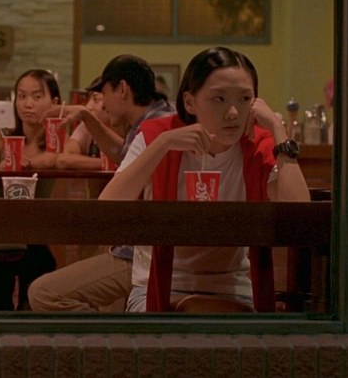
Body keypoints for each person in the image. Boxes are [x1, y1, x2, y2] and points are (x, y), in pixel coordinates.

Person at [99, 46, 310, 312]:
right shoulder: (158, 135)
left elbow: (300, 218)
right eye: (219, 99)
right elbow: (106, 211)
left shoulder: (257, 145)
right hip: (159, 288)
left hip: (231, 289)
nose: (233, 112)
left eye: (244, 99)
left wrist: (279, 130)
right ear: (189, 102)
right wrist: (162, 145)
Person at [27, 55, 174, 312]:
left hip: (142, 254)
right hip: (143, 249)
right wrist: (87, 117)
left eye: (104, 93)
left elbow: (111, 201)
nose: (102, 103)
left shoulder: (154, 128)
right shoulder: (156, 118)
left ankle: (109, 335)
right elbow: (122, 154)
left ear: (122, 89)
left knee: (43, 293)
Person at [0, 69, 63, 310]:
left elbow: (67, 162)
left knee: (39, 271)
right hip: (0, 229)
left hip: (40, 231)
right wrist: (1, 170)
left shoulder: (59, 143)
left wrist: (38, 163)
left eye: (37, 96)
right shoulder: (0, 138)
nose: (28, 104)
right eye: (22, 96)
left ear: (55, 102)